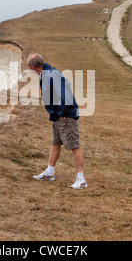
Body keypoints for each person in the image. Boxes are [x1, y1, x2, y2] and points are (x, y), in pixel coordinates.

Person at [27, 53, 87, 189]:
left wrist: (63, 113)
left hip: (65, 116)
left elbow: (65, 95)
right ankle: (50, 172)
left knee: (74, 145)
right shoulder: (47, 73)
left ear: (32, 67)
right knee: (55, 143)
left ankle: (81, 179)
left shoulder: (51, 74)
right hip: (57, 117)